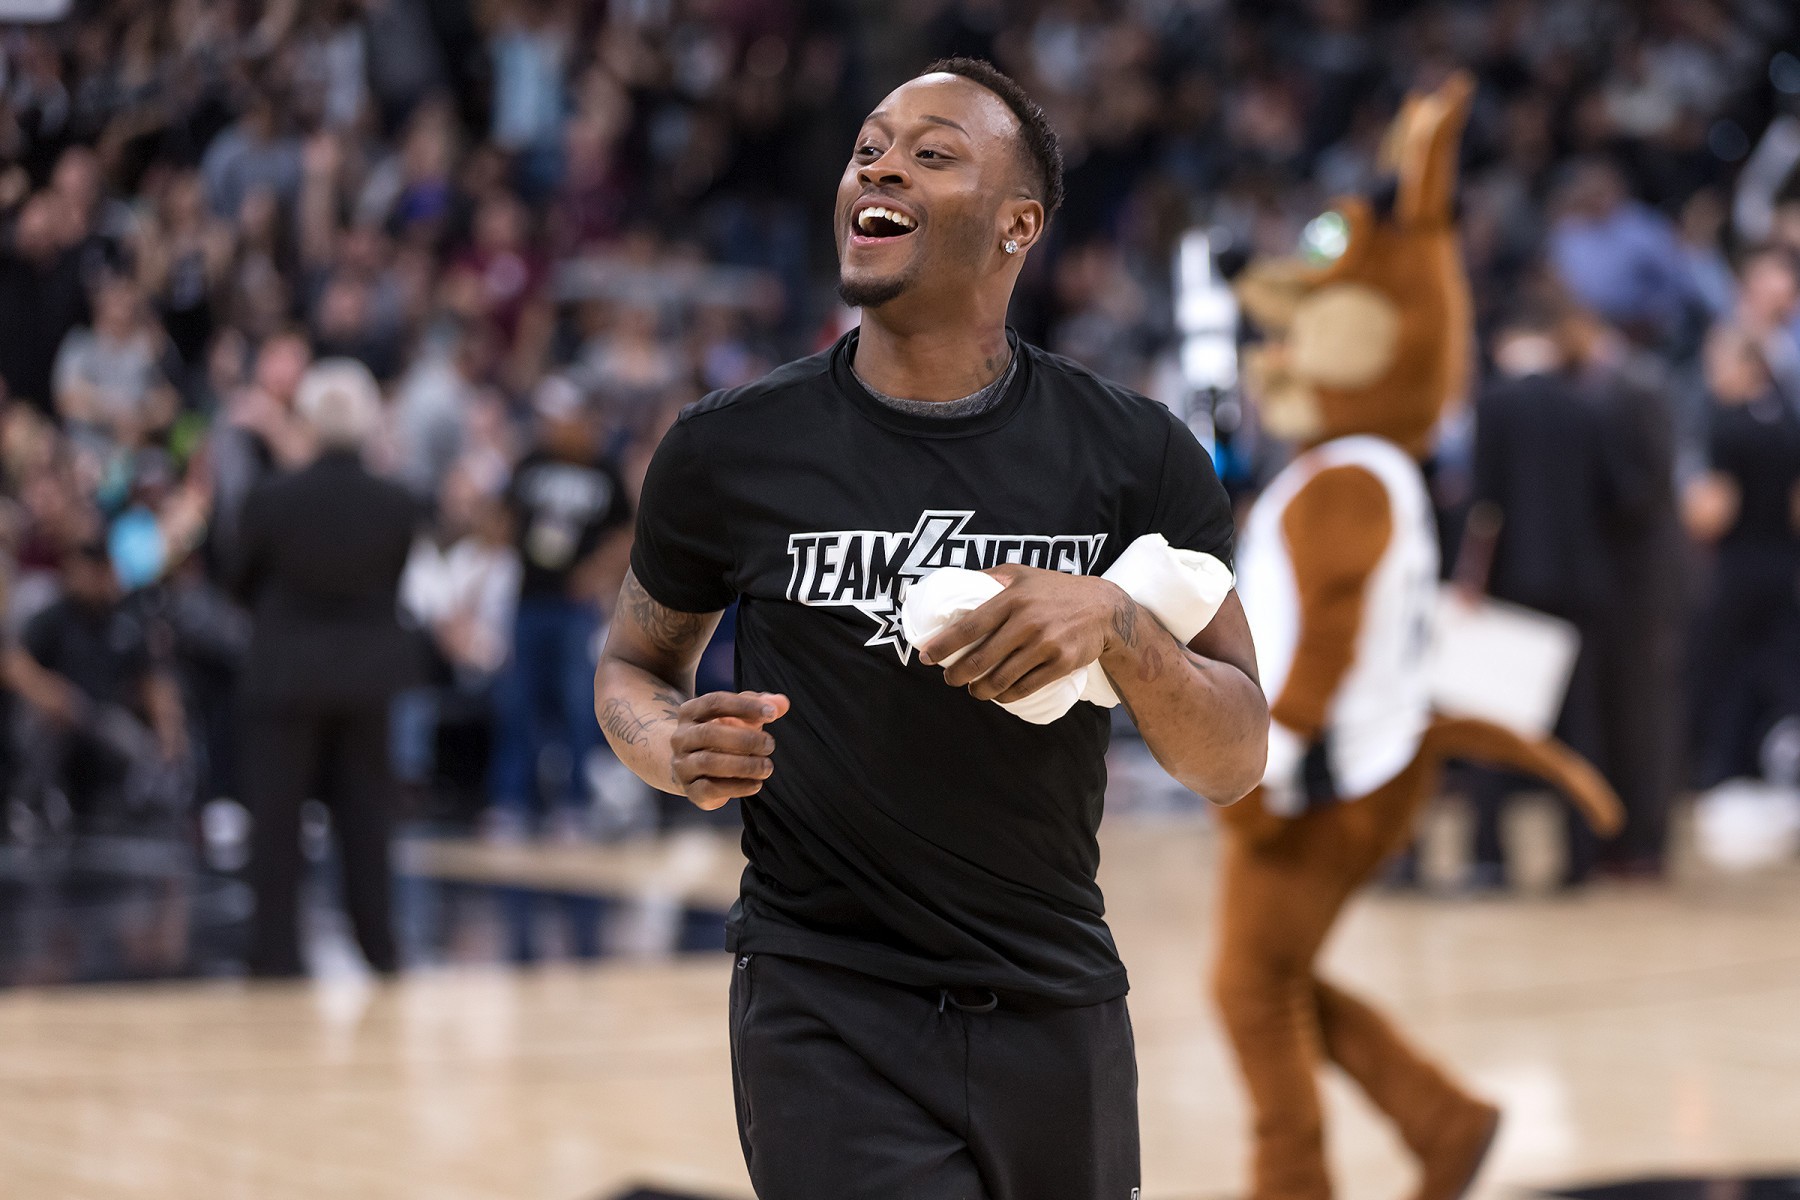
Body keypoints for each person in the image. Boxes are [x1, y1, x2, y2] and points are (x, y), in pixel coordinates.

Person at [594, 59, 1266, 1199]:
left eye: (931, 152)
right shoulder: (728, 448)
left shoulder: (1135, 455)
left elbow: (1235, 756)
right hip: (825, 1002)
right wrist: (667, 744)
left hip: (1059, 998)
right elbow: (634, 663)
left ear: (1019, 225)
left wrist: (1120, 624)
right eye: (868, 148)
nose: (881, 167)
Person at [230, 359, 423, 978]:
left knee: (277, 823)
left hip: (286, 672)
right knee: (367, 822)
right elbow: (395, 579)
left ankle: (276, 953)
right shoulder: (396, 502)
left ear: (307, 421)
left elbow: (237, 580)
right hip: (368, 676)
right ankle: (379, 947)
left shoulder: (271, 498)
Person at [1467, 304, 1634, 888]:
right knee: (1578, 723)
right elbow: (1621, 495)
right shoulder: (1588, 405)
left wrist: (1471, 580)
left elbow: (1483, 504)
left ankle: (1492, 858)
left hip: (1512, 586)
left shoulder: (1493, 404)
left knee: (1498, 721)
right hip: (1581, 588)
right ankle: (1581, 858)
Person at [485, 375, 630, 839]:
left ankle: (574, 803)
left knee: (576, 704)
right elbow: (501, 520)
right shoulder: (530, 463)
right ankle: (512, 801)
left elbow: (628, 532)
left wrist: (596, 573)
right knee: (518, 702)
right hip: (529, 600)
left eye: (560, 418)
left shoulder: (604, 470)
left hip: (574, 608)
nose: (552, 427)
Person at [1684, 327, 1800, 787]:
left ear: (1748, 367)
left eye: (1719, 365)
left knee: (1724, 674)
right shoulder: (1789, 421)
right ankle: (1769, 768)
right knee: (1778, 671)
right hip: (1783, 568)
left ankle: (1719, 771)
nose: (1713, 376)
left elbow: (1717, 512)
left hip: (1736, 571)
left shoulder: (1727, 425)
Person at [6, 542, 189, 829]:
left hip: (103, 715)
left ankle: (144, 805)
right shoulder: (54, 618)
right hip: (57, 715)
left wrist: (168, 725)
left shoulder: (124, 621)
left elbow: (153, 678)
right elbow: (14, 663)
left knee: (136, 745)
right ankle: (30, 802)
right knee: (48, 729)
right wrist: (49, 693)